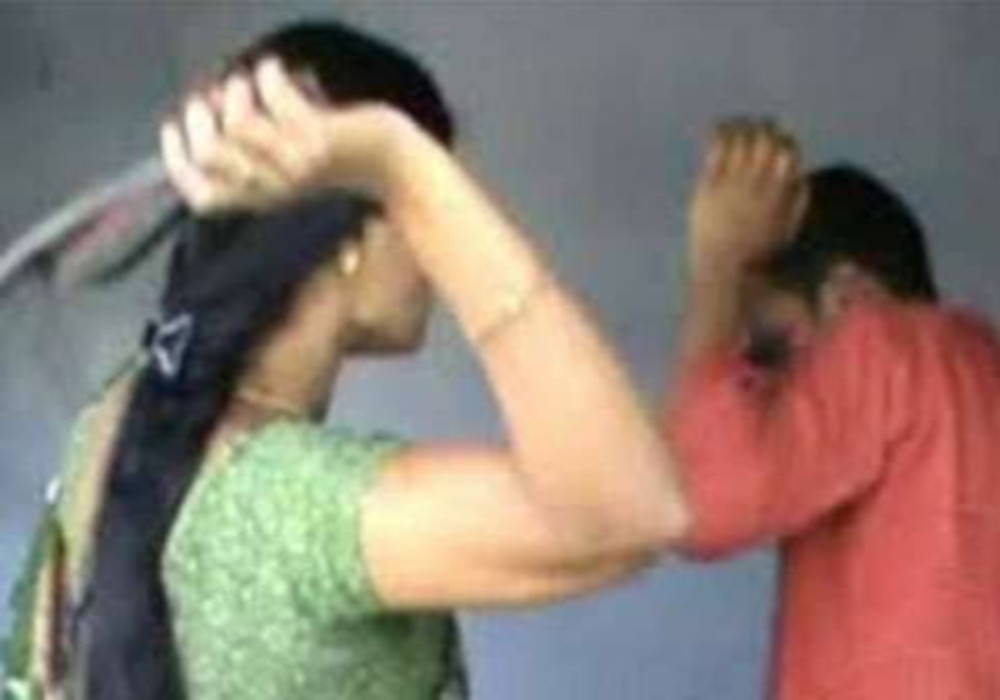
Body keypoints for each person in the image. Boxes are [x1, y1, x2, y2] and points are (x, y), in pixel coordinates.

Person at [1, 20, 693, 700]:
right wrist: (401, 162)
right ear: (353, 243)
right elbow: (634, 512)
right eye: (428, 211)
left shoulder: (118, 416)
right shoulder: (304, 511)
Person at [666, 120, 1000, 698]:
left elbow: (697, 506)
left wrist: (717, 267)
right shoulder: (978, 366)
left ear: (848, 297)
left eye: (768, 348)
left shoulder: (884, 342)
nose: (757, 391)